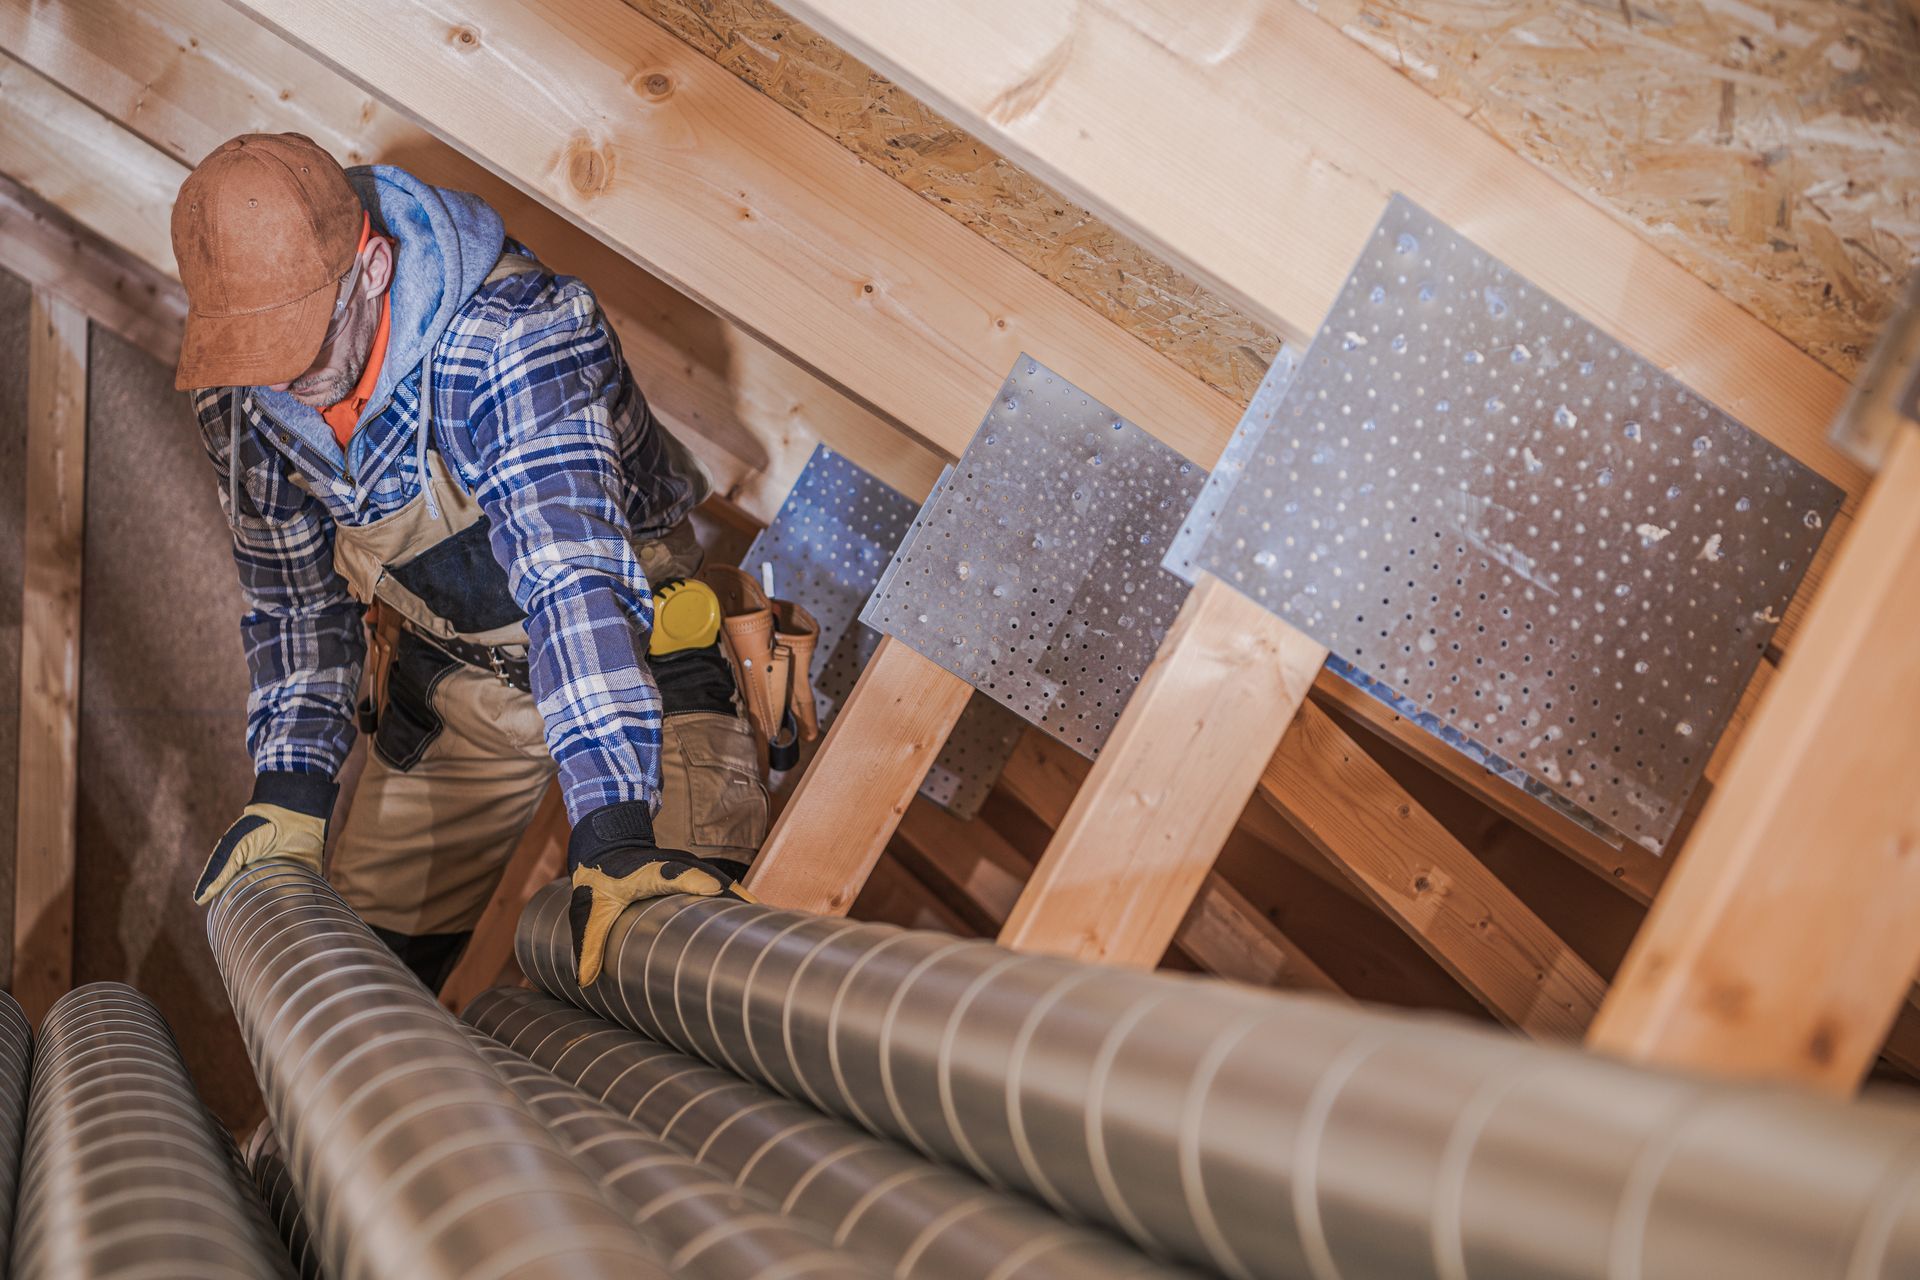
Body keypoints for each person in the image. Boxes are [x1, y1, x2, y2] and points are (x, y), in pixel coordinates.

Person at [171, 133, 766, 990]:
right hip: (462, 688)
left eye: (299, 338)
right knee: (359, 989)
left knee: (674, 972)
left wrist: (614, 826)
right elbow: (298, 604)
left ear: (371, 269)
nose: (281, 379)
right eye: (253, 353)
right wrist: (293, 779)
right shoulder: (241, 393)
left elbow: (572, 577)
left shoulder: (510, 336)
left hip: (628, 661)